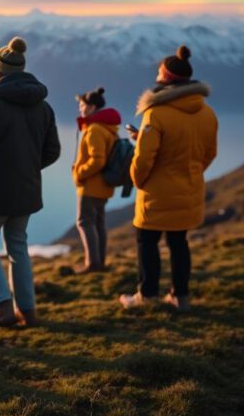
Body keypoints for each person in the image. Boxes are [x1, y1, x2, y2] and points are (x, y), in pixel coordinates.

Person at [0, 36, 62, 327]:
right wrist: (27, 168)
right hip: (26, 192)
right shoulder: (43, 107)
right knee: (18, 248)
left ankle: (1, 307)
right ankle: (28, 310)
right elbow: (52, 151)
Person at [119, 45, 217, 312]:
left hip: (158, 191)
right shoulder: (207, 112)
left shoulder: (156, 114)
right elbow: (209, 153)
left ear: (167, 77)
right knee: (178, 243)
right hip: (189, 188)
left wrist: (139, 180)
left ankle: (147, 295)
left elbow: (144, 159)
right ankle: (180, 296)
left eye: (160, 72)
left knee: (147, 242)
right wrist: (191, 172)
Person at [71, 87, 122, 273]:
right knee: (98, 223)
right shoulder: (108, 128)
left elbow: (97, 160)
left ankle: (92, 263)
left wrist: (79, 172)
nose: (80, 109)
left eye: (82, 105)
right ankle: (99, 262)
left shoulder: (94, 130)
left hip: (91, 185)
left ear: (92, 107)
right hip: (104, 186)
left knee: (85, 222)